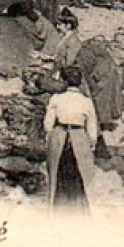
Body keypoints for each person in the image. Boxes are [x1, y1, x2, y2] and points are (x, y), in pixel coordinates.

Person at [43, 66, 102, 212]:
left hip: (60, 134)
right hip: (79, 136)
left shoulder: (56, 98)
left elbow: (47, 124)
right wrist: (91, 143)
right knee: (79, 172)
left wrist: (51, 135)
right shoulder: (86, 101)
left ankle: (58, 207)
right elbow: (92, 126)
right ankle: (78, 207)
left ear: (64, 81)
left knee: (58, 170)